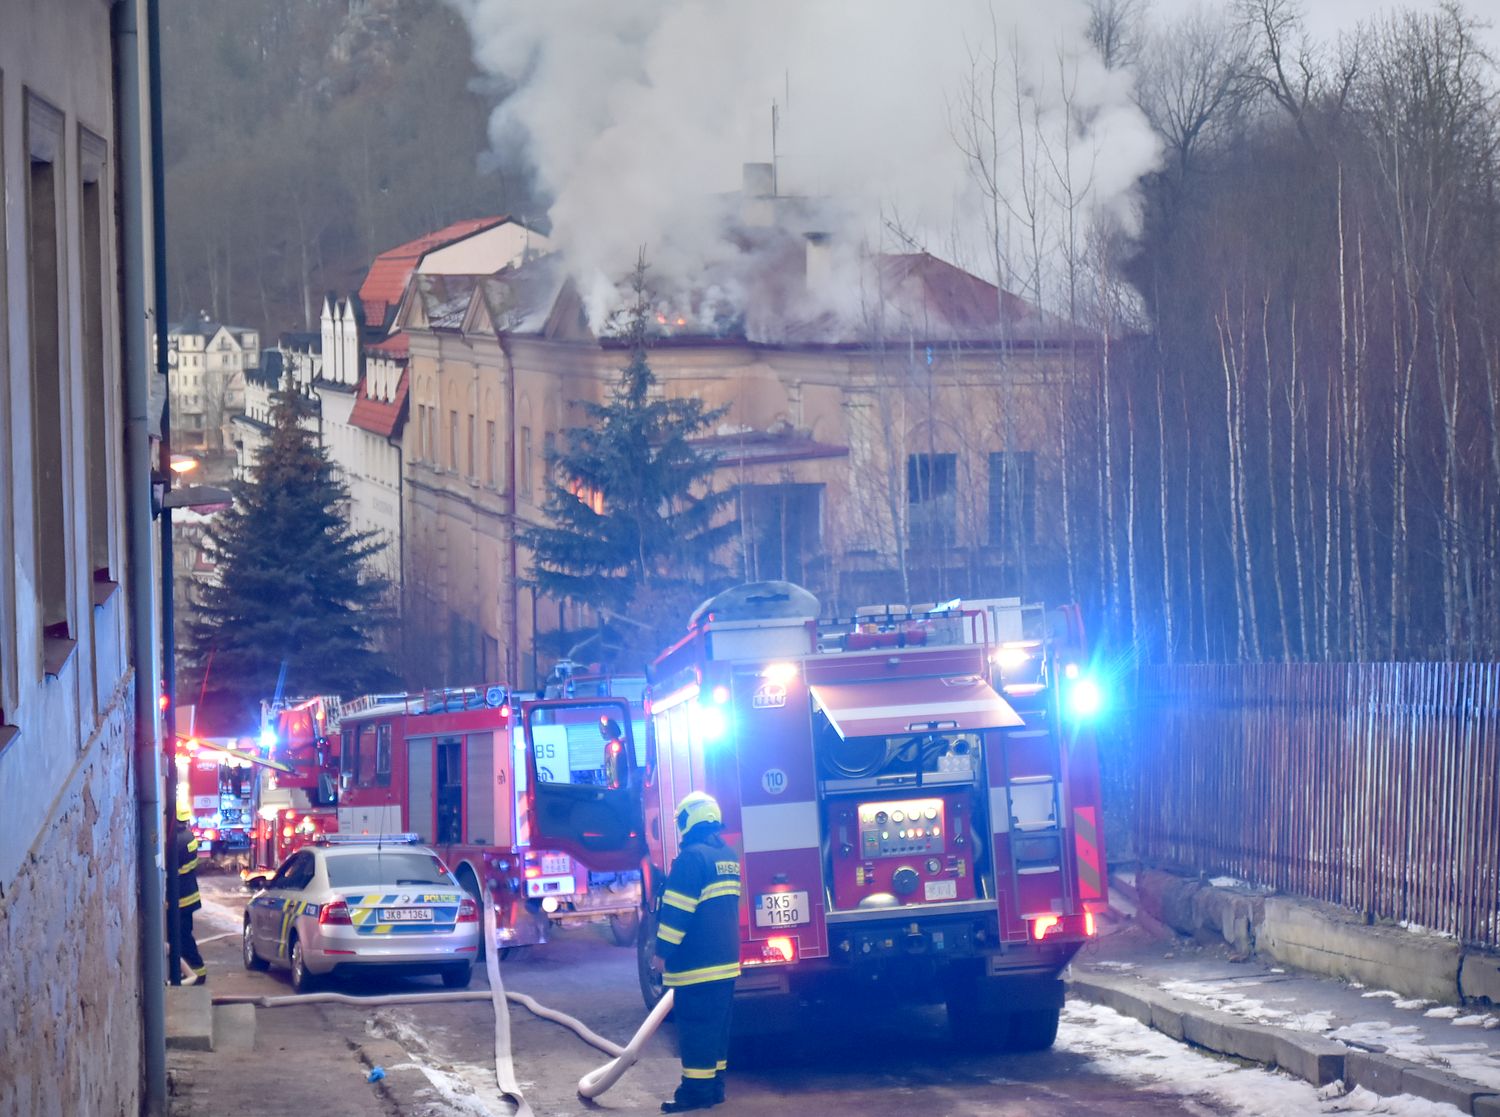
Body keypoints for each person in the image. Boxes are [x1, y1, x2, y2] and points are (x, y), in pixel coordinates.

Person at [654, 791, 741, 1112]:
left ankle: (694, 1095)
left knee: (696, 1034)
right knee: (716, 1033)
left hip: (697, 967)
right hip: (726, 965)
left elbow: (677, 913)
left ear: (690, 820)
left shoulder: (692, 858)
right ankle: (715, 1089)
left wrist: (661, 952)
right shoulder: (727, 855)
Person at [174, 805, 206, 986]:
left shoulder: (177, 839)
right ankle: (192, 970)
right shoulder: (188, 836)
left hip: (182, 897)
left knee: (182, 936)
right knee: (183, 934)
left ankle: (197, 971)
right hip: (189, 894)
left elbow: (176, 868)